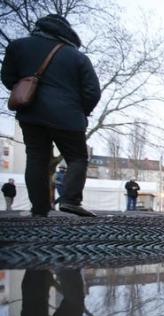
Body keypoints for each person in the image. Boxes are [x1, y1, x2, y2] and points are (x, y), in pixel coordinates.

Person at [1, 14, 101, 217]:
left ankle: (39, 209)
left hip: (31, 114)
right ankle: (70, 200)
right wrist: (82, 111)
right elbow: (93, 92)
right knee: (77, 157)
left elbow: (8, 78)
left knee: (36, 158)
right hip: (68, 116)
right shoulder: (77, 57)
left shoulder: (18, 47)